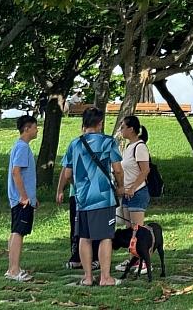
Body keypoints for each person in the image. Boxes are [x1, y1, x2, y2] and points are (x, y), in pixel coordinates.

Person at [56, 107, 124, 287]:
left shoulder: (74, 144)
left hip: (82, 198)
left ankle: (87, 277)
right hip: (103, 197)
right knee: (105, 237)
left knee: (84, 237)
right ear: (100, 123)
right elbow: (117, 169)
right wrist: (121, 186)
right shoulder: (108, 142)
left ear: (83, 123)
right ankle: (105, 277)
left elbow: (68, 173)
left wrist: (75, 187)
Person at [58, 125, 100, 270]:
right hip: (94, 194)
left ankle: (78, 257)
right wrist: (60, 189)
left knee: (78, 227)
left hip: (78, 193)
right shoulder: (104, 144)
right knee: (92, 227)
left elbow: (66, 171)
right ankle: (91, 258)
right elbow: (66, 170)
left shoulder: (74, 145)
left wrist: (61, 189)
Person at [115, 116, 152, 272]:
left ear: (131, 129)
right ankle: (133, 258)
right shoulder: (128, 147)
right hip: (126, 193)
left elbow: (145, 170)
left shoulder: (140, 147)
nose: (121, 130)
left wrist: (132, 188)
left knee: (138, 229)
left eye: (123, 127)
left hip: (137, 192)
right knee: (130, 229)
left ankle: (144, 260)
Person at [6, 114, 39, 282]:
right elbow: (16, 172)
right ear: (27, 129)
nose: (37, 130)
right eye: (35, 127)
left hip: (22, 198)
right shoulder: (22, 148)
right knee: (18, 232)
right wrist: (24, 196)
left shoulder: (20, 147)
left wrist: (33, 196)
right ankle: (14, 270)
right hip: (21, 200)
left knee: (15, 232)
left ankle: (13, 267)